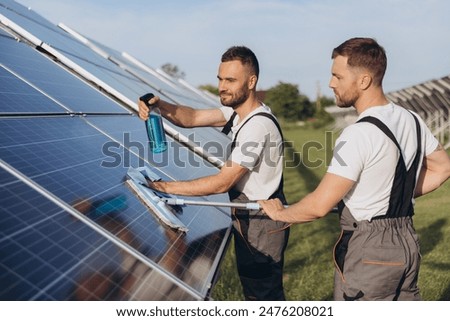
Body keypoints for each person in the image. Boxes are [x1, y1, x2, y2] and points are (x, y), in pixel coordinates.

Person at [258, 37, 450, 301]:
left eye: (337, 76)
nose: (330, 83)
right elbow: (442, 168)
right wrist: (392, 195)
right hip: (407, 243)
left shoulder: (358, 133)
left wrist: (281, 213)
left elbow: (318, 206)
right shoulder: (412, 119)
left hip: (370, 251)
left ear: (363, 81)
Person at [137, 46, 290, 300]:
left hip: (263, 221)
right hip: (250, 214)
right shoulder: (238, 113)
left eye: (230, 80)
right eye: (220, 79)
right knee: (256, 292)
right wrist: (158, 104)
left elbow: (223, 182)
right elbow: (192, 117)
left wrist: (164, 188)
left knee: (263, 296)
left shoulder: (258, 125)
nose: (222, 86)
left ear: (251, 82)